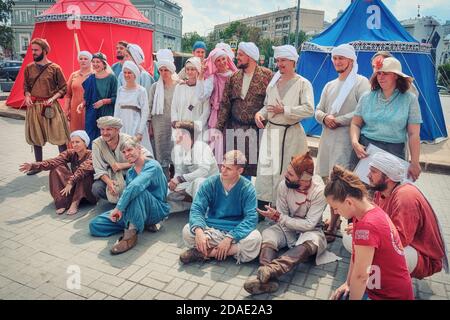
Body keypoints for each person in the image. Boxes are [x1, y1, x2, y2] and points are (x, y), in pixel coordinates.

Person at [244, 153, 340, 295]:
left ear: (304, 179)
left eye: (290, 174)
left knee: (312, 241)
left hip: (311, 231)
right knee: (268, 233)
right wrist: (292, 242)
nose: (284, 175)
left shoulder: (319, 192)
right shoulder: (284, 185)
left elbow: (309, 224)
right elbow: (282, 218)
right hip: (287, 228)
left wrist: (281, 220)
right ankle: (267, 278)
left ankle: (270, 271)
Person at [325, 166, 414, 300]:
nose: (335, 212)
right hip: (378, 287)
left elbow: (361, 276)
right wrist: (348, 283)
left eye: (335, 208)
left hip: (389, 295)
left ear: (349, 202)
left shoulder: (367, 225)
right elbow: (356, 256)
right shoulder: (363, 212)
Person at [314, 43, 370, 242]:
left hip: (346, 141)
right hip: (327, 140)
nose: (337, 62)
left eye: (341, 58)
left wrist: (338, 120)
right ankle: (335, 218)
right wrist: (325, 118)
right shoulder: (330, 85)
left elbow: (362, 111)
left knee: (341, 183)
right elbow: (318, 110)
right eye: (335, 58)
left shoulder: (360, 83)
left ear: (351, 60)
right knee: (326, 179)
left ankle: (339, 221)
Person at [365, 152, 448, 279]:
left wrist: (368, 234)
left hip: (425, 257)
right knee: (356, 237)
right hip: (407, 245)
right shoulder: (381, 190)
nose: (368, 175)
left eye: (373, 172)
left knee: (370, 246)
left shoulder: (405, 197)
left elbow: (400, 240)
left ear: (388, 178)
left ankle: (385, 287)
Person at [255, 45, 314, 212]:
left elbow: (309, 109)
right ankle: (264, 207)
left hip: (291, 133)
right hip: (271, 132)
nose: (280, 64)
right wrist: (260, 114)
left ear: (293, 61)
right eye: (278, 60)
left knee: (290, 171)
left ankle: (287, 209)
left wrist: (286, 110)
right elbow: (267, 106)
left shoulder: (303, 83)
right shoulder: (273, 83)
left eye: (283, 60)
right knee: (267, 170)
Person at [89, 138, 170, 255]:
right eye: (124, 152)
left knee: (138, 191)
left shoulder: (153, 165)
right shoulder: (131, 172)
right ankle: (136, 222)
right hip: (136, 209)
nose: (127, 154)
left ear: (139, 148)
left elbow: (135, 187)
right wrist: (120, 212)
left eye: (129, 150)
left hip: (156, 210)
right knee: (95, 225)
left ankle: (130, 234)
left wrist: (119, 208)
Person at [180, 150, 262, 264]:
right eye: (222, 166)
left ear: (240, 170)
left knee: (255, 238)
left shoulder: (248, 188)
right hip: (212, 227)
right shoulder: (211, 182)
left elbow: (251, 218)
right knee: (187, 230)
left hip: (235, 229)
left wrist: (230, 238)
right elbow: (197, 208)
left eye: (228, 168)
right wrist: (199, 232)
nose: (223, 170)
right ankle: (227, 251)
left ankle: (205, 253)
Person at [350, 57, 422, 181]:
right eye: (379, 73)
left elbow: (413, 134)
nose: (381, 77)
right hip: (365, 151)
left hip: (394, 152)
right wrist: (355, 142)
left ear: (396, 76)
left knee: (387, 195)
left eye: (386, 73)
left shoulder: (410, 99)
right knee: (360, 194)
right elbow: (355, 124)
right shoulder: (366, 97)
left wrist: (415, 162)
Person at [216, 42, 273, 177]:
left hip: (255, 132)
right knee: (232, 167)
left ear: (251, 57)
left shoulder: (267, 76)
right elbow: (225, 105)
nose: (237, 58)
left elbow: (271, 102)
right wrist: (218, 128)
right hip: (234, 130)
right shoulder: (233, 78)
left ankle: (249, 197)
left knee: (253, 171)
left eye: (241, 55)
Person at [19, 130, 96, 215]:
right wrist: (33, 165)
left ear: (85, 143)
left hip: (88, 191)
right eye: (72, 142)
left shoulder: (92, 155)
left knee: (83, 174)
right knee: (56, 167)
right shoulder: (70, 153)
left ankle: (75, 203)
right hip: (73, 186)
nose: (74, 145)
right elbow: (54, 161)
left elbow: (84, 169)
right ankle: (62, 202)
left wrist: (71, 182)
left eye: (77, 142)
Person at [23, 38, 70, 175]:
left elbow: (63, 88)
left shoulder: (55, 68)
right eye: (32, 50)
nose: (34, 52)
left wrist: (52, 98)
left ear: (44, 50)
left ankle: (64, 166)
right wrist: (27, 96)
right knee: (36, 137)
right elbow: (26, 86)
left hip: (51, 107)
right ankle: (38, 166)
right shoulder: (29, 68)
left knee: (60, 137)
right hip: (35, 107)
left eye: (36, 50)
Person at [91, 116, 152, 204]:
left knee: (140, 180)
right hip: (112, 176)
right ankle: (120, 201)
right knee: (97, 188)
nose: (104, 133)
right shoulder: (97, 144)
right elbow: (99, 169)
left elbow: (148, 158)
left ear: (117, 130)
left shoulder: (127, 140)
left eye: (109, 129)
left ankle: (132, 200)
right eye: (102, 129)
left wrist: (123, 165)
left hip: (131, 174)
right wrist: (109, 183)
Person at [197, 47, 237, 157]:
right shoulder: (213, 78)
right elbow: (201, 96)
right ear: (214, 63)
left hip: (232, 116)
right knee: (216, 147)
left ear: (227, 59)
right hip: (217, 116)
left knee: (230, 147)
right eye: (218, 60)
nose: (221, 62)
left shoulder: (235, 76)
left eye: (223, 59)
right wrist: (201, 75)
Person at [168, 122, 218, 203]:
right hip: (191, 182)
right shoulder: (179, 149)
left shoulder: (201, 147)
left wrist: (180, 179)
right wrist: (174, 181)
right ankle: (190, 201)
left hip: (209, 183)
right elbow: (180, 171)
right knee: (167, 189)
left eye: (177, 133)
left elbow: (203, 171)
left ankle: (201, 211)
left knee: (198, 182)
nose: (175, 135)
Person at [150, 49, 179, 179]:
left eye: (166, 70)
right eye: (160, 70)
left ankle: (175, 178)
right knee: (160, 149)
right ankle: (163, 178)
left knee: (174, 148)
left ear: (171, 70)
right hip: (159, 124)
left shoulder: (179, 85)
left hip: (174, 122)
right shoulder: (155, 87)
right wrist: (149, 124)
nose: (163, 73)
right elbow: (150, 106)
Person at [78, 52, 118, 147]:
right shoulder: (90, 78)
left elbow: (116, 98)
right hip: (92, 114)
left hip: (106, 113)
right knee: (92, 138)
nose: (95, 64)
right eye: (93, 62)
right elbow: (86, 97)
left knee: (106, 137)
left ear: (104, 64)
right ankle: (93, 159)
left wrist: (103, 101)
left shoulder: (111, 78)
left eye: (98, 62)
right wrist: (82, 104)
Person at [114, 61, 153, 154]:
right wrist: (115, 127)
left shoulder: (141, 90)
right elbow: (117, 109)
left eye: (129, 72)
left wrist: (140, 132)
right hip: (123, 124)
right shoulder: (120, 90)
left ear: (135, 74)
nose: (127, 75)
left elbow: (145, 111)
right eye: (125, 72)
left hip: (135, 123)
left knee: (137, 150)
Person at [171, 57, 210, 134]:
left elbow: (206, 111)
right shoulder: (179, 87)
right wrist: (176, 123)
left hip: (197, 131)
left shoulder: (204, 89)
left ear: (198, 70)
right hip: (181, 129)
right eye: (187, 69)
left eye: (192, 69)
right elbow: (174, 107)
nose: (189, 72)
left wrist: (195, 126)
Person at [64, 51, 93, 131]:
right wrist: (66, 110)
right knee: (75, 132)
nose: (83, 61)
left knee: (89, 131)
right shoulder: (73, 75)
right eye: (81, 59)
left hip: (90, 109)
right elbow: (68, 95)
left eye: (85, 59)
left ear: (90, 60)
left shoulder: (95, 75)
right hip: (75, 110)